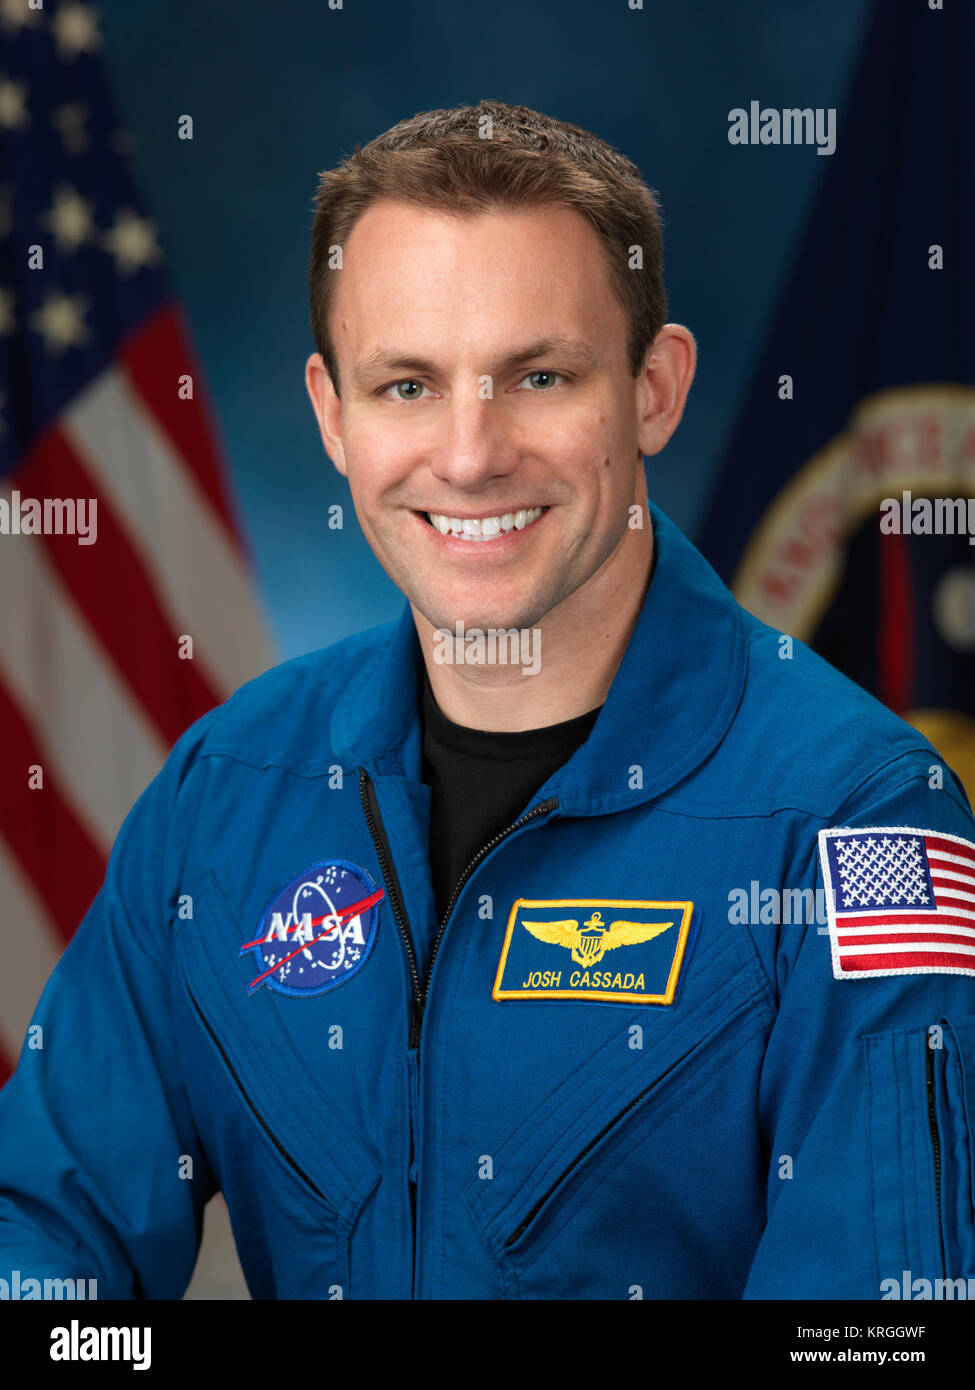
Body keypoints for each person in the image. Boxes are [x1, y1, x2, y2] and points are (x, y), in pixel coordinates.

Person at [1, 98, 974, 1302]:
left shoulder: (862, 824)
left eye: (541, 376)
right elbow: (42, 1235)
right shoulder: (227, 794)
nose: (469, 456)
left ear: (654, 390)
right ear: (331, 415)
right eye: (406, 386)